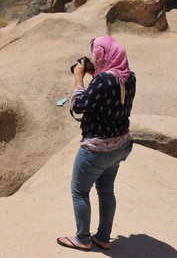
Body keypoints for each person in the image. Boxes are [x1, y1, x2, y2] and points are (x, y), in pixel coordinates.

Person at [57, 35, 136, 251]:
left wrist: (79, 78)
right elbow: (110, 95)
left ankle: (82, 238)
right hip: (119, 146)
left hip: (97, 148)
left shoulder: (102, 81)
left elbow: (79, 104)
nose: (94, 59)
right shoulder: (129, 77)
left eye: (96, 55)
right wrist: (97, 74)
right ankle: (103, 237)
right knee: (107, 191)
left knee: (79, 192)